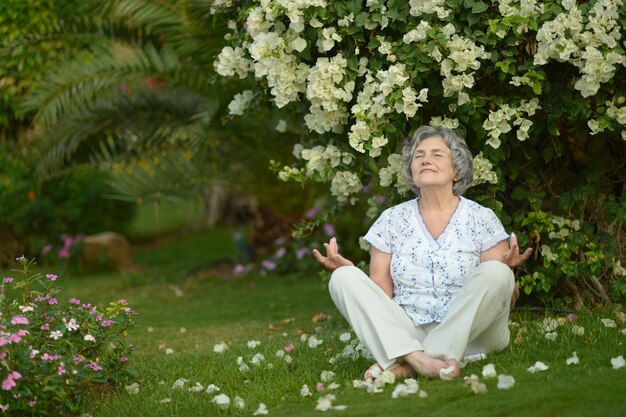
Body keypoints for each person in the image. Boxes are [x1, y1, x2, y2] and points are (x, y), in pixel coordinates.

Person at [313, 125, 532, 380]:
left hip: (474, 335)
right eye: (419, 156)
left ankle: (405, 361)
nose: (426, 159)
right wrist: (353, 276)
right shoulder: (391, 220)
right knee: (343, 277)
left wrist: (507, 270)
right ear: (412, 171)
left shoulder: (482, 218)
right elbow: (382, 294)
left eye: (437, 154)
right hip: (410, 329)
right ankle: (421, 360)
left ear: (457, 171)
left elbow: (497, 297)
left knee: (497, 272)